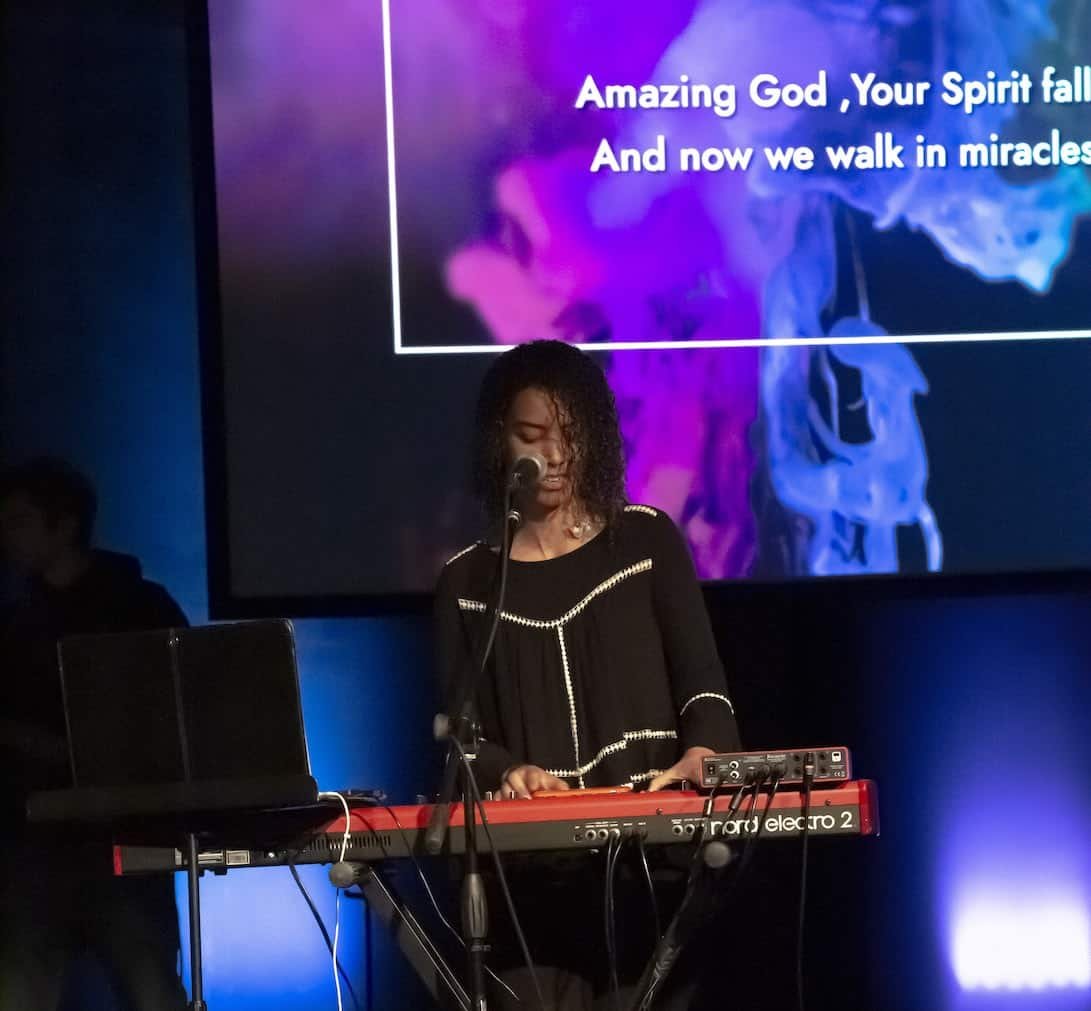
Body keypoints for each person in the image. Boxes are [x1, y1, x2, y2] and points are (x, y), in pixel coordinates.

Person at [433, 341, 742, 1009]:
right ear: (500, 438)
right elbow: (463, 733)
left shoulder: (645, 540)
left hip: (652, 866)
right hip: (530, 886)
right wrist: (507, 771)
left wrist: (705, 752)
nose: (552, 454)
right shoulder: (467, 582)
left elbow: (703, 683)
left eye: (569, 434)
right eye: (531, 435)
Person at [0, 458, 189, 1011]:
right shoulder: (14, 622)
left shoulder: (140, 607)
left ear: (65, 525)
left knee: (151, 986)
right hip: (34, 841)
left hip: (125, 834)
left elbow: (180, 708)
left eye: (19, 521)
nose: (6, 536)